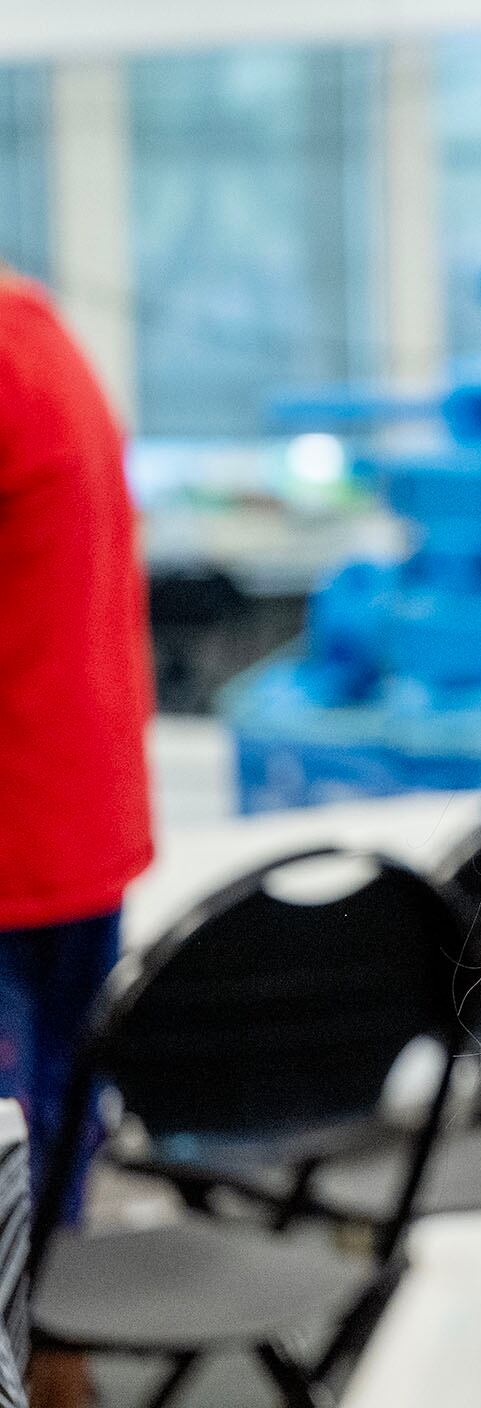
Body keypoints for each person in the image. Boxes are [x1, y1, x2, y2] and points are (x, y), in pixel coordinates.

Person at [0, 276, 153, 1408]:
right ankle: (57, 1353)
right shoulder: (32, 325)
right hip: (76, 806)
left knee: (15, 1140)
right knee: (55, 1117)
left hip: (20, 828)